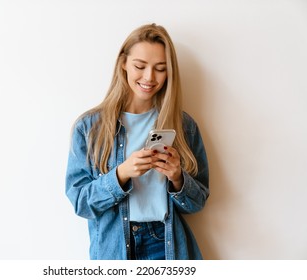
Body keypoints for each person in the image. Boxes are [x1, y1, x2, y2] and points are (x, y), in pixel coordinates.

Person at [65, 23, 209, 260]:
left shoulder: (184, 126)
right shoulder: (89, 128)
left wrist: (177, 177)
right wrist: (121, 174)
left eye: (160, 68)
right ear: (123, 63)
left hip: (166, 245)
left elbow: (198, 202)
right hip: (115, 249)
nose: (149, 77)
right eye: (140, 66)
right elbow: (81, 203)